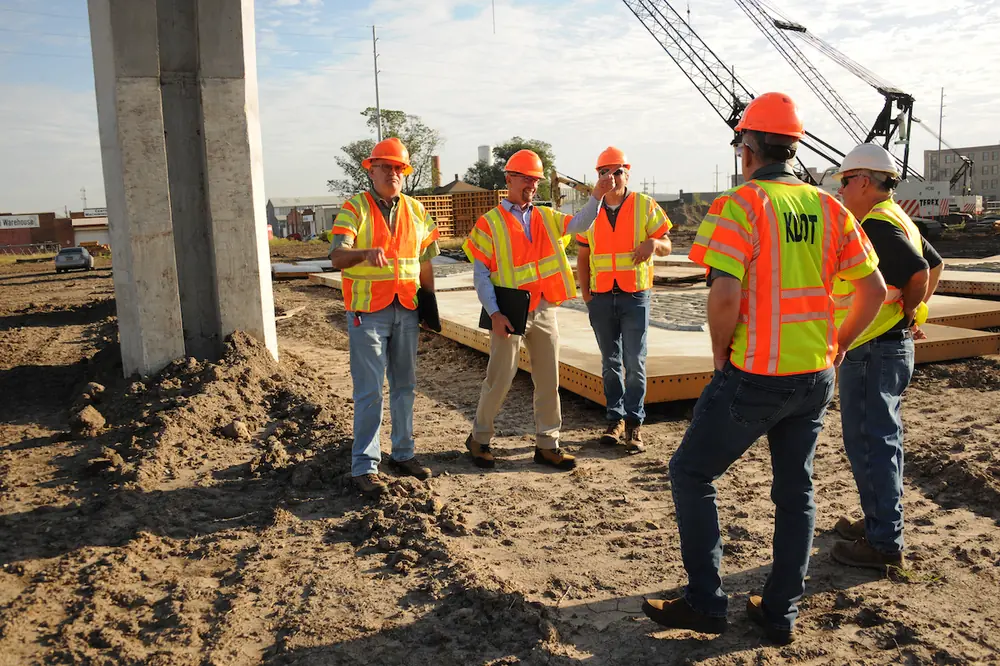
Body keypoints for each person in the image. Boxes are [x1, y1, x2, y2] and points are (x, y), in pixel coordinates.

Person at [640, 93, 886, 645]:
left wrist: (720, 353)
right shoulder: (830, 207)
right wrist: (840, 342)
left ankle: (706, 602)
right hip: (814, 376)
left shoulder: (741, 205)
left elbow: (724, 295)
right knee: (795, 489)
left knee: (691, 473)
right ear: (792, 148)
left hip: (755, 373)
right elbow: (871, 289)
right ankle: (780, 611)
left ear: (746, 148)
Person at [828, 143, 943, 570]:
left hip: (873, 350)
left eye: (843, 182)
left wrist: (911, 307)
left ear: (861, 181)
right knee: (882, 441)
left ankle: (883, 543)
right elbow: (936, 263)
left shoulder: (876, 225)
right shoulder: (898, 218)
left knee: (870, 443)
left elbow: (917, 272)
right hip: (889, 349)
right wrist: (913, 311)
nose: (840, 191)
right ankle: (878, 522)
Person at [463, 149, 614, 471]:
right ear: (509, 179)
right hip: (508, 313)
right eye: (526, 178)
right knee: (500, 379)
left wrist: (598, 196)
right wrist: (494, 313)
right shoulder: (489, 224)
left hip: (544, 309)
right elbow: (480, 275)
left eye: (536, 180)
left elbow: (579, 223)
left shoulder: (546, 217)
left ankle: (548, 444)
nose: (532, 184)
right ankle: (479, 438)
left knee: (548, 380)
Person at [329, 137, 440, 497]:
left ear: (405, 173)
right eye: (386, 166)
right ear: (371, 169)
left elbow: (425, 262)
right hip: (368, 313)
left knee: (405, 387)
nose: (393, 173)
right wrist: (363, 253)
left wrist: (430, 306)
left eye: (399, 168)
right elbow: (336, 256)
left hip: (407, 309)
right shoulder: (354, 208)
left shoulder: (417, 210)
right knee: (370, 391)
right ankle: (365, 465)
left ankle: (403, 454)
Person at [576, 147, 672, 453]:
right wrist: (586, 294)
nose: (612, 177)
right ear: (598, 176)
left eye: (617, 171)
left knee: (635, 361)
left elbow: (668, 246)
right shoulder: (591, 211)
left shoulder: (645, 205)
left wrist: (654, 243)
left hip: (634, 297)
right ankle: (614, 419)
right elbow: (583, 254)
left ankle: (634, 423)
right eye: (605, 172)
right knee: (610, 363)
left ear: (627, 173)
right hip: (602, 298)